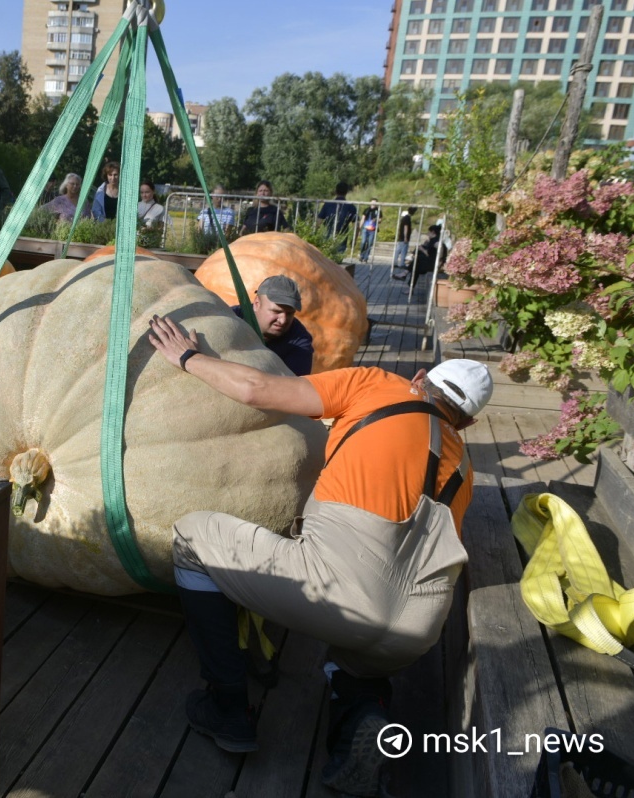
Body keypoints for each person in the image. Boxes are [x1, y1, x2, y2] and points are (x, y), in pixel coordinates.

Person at [148, 312, 493, 795]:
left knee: (192, 536)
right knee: (357, 660)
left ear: (420, 379)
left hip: (337, 592)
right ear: (470, 421)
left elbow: (256, 389)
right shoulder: (466, 470)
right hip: (417, 629)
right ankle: (365, 715)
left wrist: (189, 357)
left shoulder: (378, 384)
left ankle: (228, 705)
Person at [230, 275, 315, 376]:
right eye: (276, 311)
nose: (283, 320)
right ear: (257, 304)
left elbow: (293, 387)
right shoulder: (230, 317)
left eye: (289, 313)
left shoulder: (300, 342)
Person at [318, 181, 357, 258]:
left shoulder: (327, 204)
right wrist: (354, 239)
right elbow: (356, 225)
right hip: (342, 236)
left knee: (327, 258)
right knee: (338, 260)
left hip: (328, 233)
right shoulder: (351, 207)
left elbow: (318, 221)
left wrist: (316, 234)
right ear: (346, 192)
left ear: (335, 191)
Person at [393, 206, 416, 272]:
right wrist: (406, 237)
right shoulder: (407, 218)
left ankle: (395, 262)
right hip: (404, 238)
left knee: (398, 250)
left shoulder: (404, 218)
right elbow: (406, 228)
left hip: (400, 237)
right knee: (403, 251)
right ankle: (402, 264)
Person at [359, 199, 381, 263]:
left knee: (369, 244)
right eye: (372, 202)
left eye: (374, 203)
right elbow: (363, 219)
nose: (373, 204)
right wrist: (359, 228)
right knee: (363, 242)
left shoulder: (378, 210)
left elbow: (380, 220)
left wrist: (376, 219)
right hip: (365, 229)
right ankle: (361, 255)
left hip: (373, 230)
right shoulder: (366, 210)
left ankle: (366, 258)